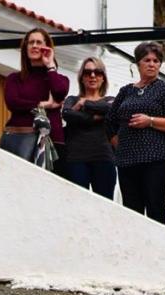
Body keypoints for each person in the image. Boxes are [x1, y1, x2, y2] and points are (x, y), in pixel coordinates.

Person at [107, 41, 165, 223]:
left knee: (155, 207)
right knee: (131, 211)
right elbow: (110, 121)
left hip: (156, 159)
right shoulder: (126, 91)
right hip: (127, 161)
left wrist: (150, 121)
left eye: (156, 61)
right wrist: (118, 144)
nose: (152, 64)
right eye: (147, 60)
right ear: (138, 63)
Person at [0, 28, 68, 170]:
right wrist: (42, 105)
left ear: (47, 47)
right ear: (25, 48)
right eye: (31, 42)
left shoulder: (59, 79)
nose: (34, 46)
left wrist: (50, 66)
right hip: (19, 137)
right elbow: (13, 103)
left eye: (39, 42)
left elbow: (59, 92)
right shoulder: (15, 79)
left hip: (51, 142)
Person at [61, 57, 116, 198]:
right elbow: (67, 114)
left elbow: (111, 109)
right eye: (87, 72)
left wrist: (83, 104)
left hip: (103, 157)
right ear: (81, 78)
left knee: (105, 206)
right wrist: (94, 118)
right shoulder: (72, 99)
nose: (92, 76)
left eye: (97, 72)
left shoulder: (110, 100)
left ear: (103, 78)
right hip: (76, 159)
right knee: (77, 205)